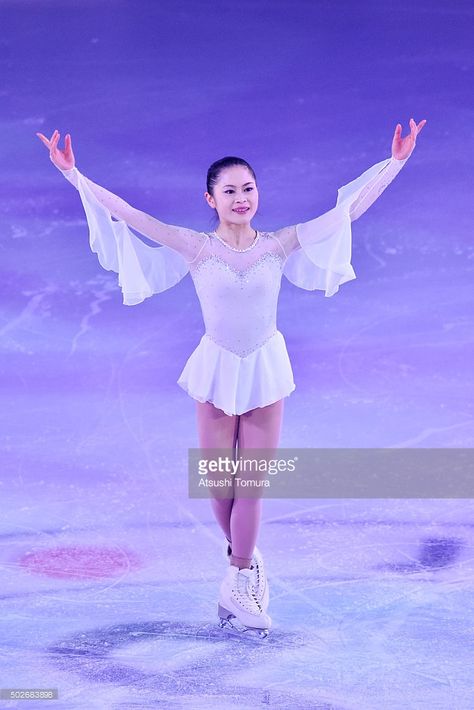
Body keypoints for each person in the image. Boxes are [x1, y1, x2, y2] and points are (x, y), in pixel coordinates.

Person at [36, 118, 426, 637]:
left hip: (265, 367)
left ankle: (239, 578)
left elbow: (346, 213)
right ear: (210, 199)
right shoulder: (195, 247)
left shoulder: (279, 245)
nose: (241, 198)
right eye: (229, 191)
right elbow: (128, 214)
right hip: (217, 368)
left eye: (248, 188)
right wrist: (73, 175)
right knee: (220, 485)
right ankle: (248, 561)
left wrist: (395, 162)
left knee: (253, 487)